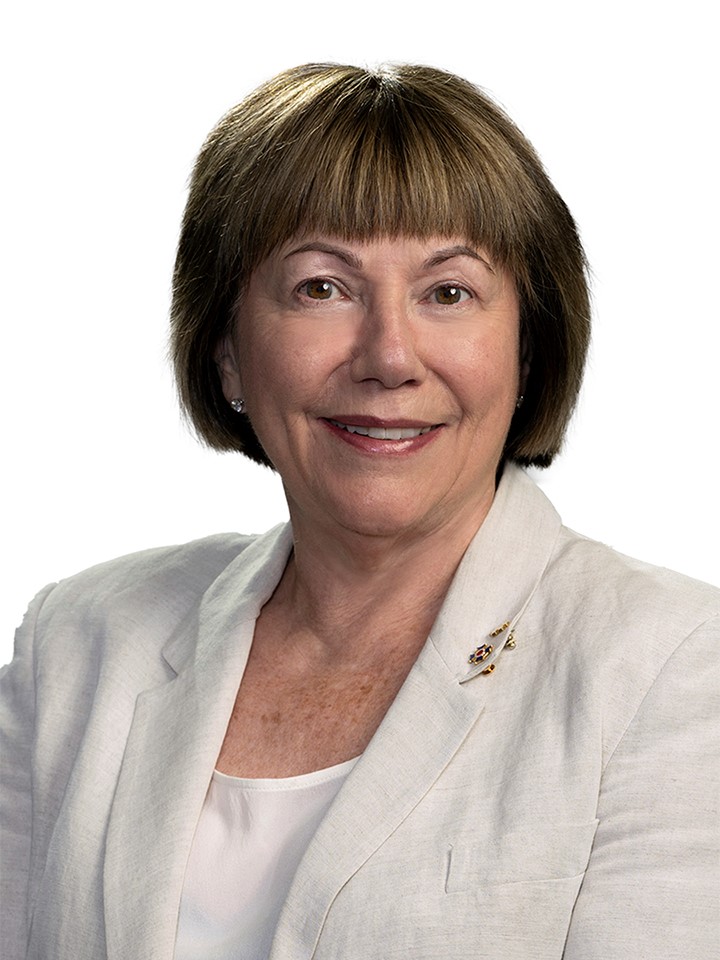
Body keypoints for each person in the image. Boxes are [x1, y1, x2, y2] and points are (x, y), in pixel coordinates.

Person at [1, 62, 717, 960]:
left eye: (447, 292)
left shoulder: (674, 666)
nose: (388, 356)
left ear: (529, 348)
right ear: (225, 351)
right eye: (321, 288)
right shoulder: (79, 643)